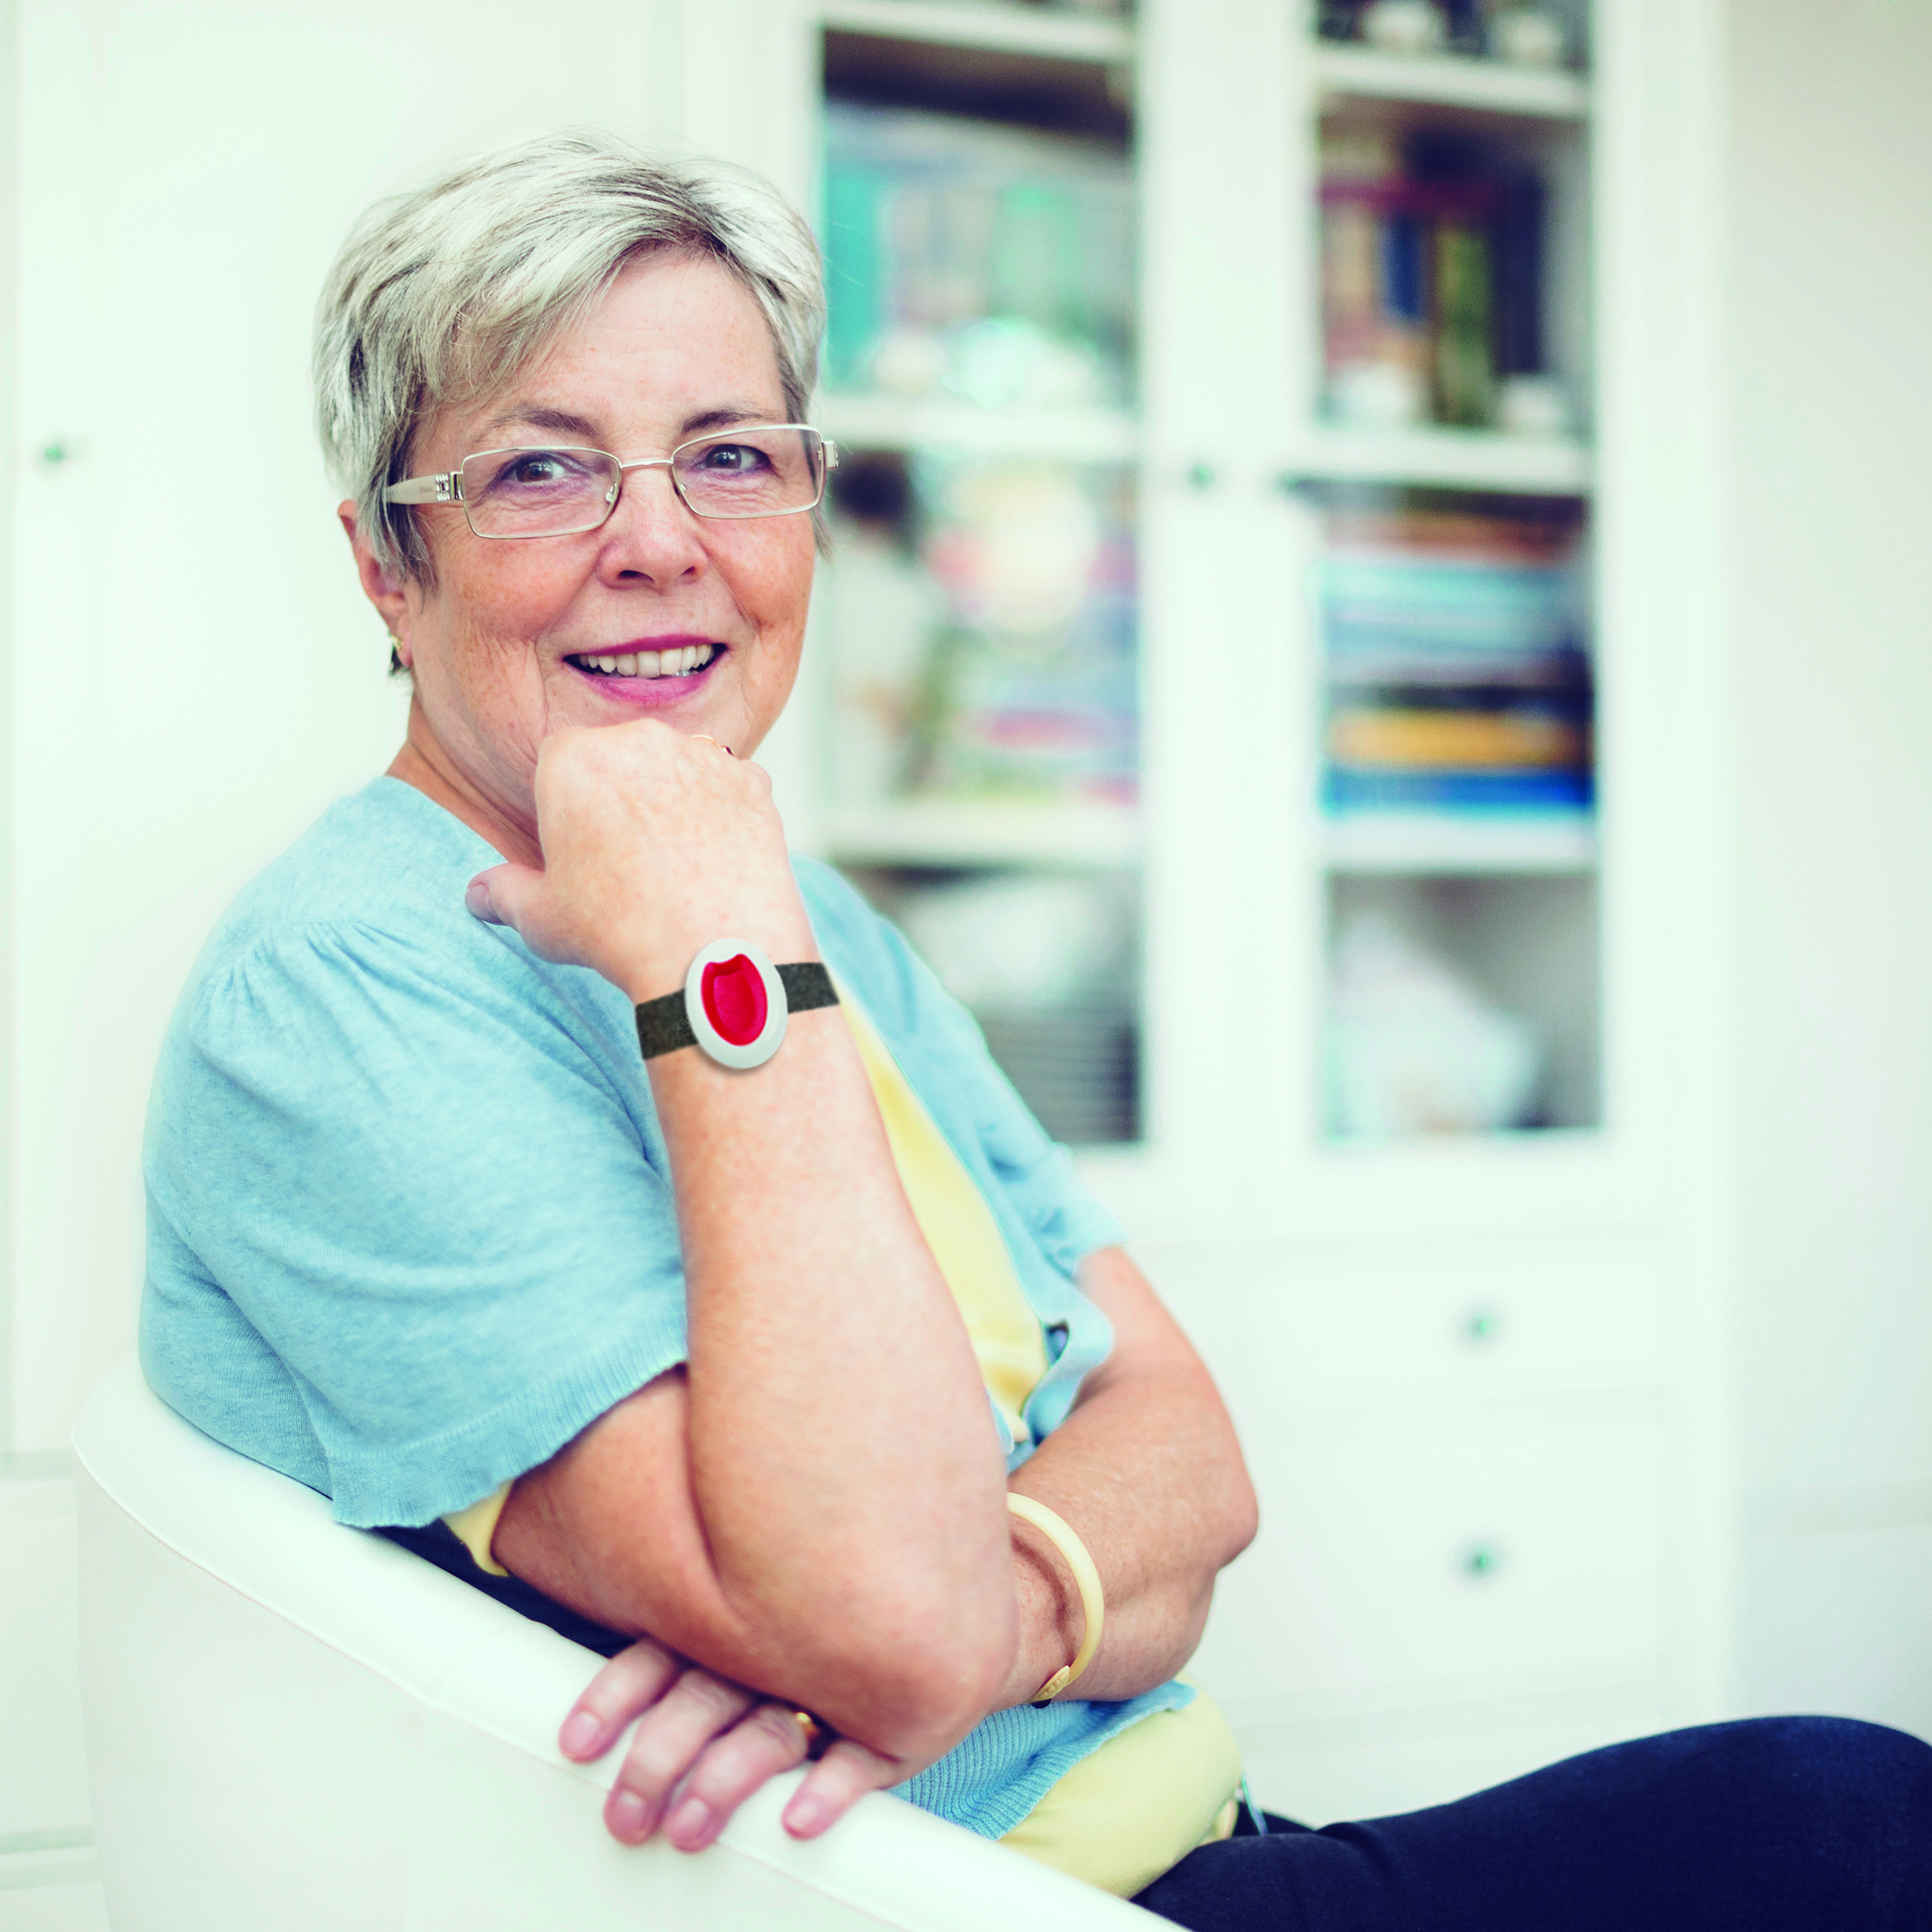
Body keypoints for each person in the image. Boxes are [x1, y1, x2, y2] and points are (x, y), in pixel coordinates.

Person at [140, 132, 1932, 1927]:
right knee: (1841, 1824)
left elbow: (1187, 1451)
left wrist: (990, 1610)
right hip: (954, 1906)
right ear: (389, 560)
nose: (662, 544)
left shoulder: (808, 910)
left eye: (732, 458)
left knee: (1844, 1808)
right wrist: (715, 964)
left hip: (1188, 1844)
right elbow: (883, 1619)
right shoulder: (342, 994)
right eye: (542, 471)